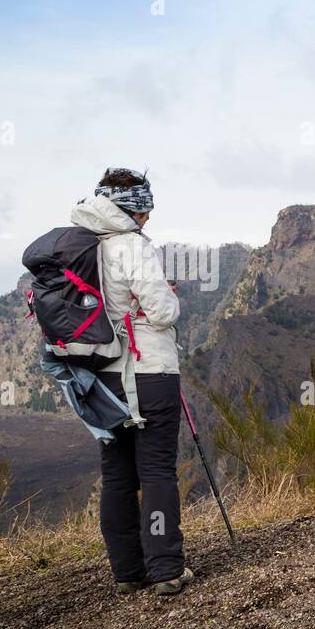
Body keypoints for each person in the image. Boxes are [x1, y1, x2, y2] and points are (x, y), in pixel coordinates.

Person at [71, 168, 193, 597]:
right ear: (135, 209)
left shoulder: (81, 245)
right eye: (146, 213)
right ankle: (165, 569)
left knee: (117, 476)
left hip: (100, 378)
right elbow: (162, 312)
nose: (147, 221)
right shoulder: (131, 247)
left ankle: (127, 572)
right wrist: (168, 297)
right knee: (157, 470)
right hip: (148, 373)